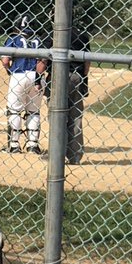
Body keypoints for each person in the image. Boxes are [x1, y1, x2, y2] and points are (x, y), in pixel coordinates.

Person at [39, 24, 92, 165]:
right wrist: (81, 78)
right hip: (77, 76)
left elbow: (42, 63)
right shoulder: (82, 35)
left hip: (57, 77)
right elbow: (87, 64)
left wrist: (39, 78)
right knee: (75, 117)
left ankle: (56, 155)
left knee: (57, 116)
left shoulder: (52, 34)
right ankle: (75, 156)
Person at [1, 17, 45, 154]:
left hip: (19, 75)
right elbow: (43, 61)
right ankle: (33, 145)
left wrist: (8, 70)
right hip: (37, 76)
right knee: (33, 111)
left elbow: (5, 60)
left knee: (14, 110)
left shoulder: (14, 38)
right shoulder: (40, 40)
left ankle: (14, 145)